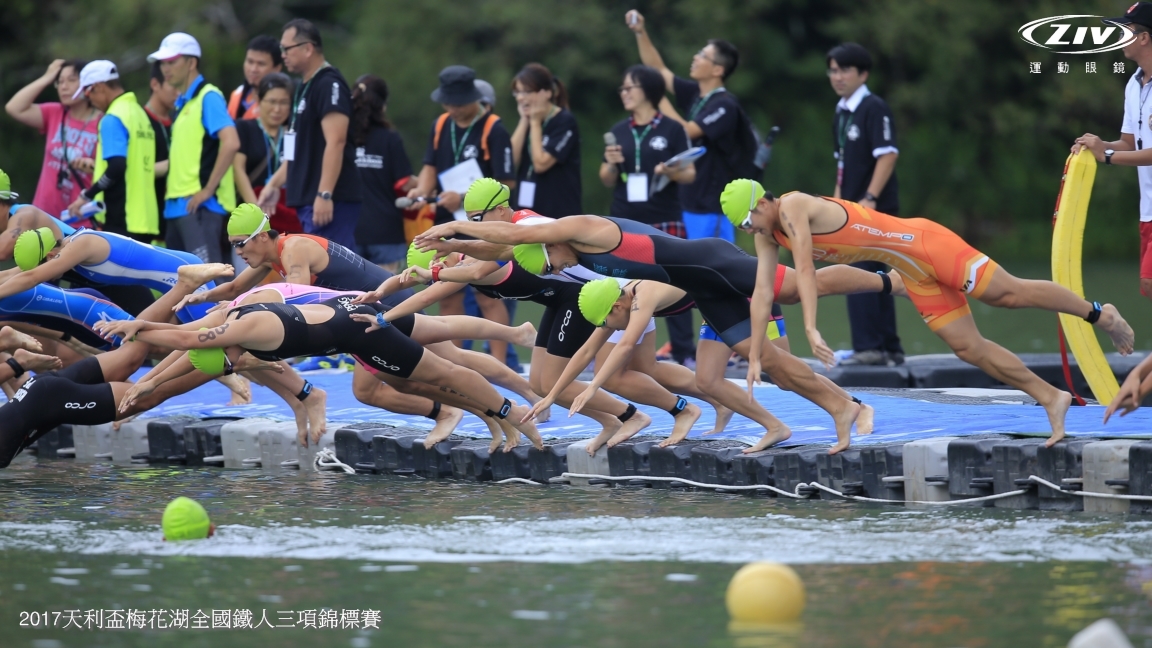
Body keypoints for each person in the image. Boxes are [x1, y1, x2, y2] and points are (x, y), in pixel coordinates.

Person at [412, 205, 869, 454]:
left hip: (713, 265)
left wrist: (450, 226)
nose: (553, 269)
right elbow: (502, 255)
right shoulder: (578, 260)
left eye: (550, 258)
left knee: (801, 291)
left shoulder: (585, 228)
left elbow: (513, 238)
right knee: (767, 367)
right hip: (699, 288)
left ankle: (892, 281)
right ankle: (834, 409)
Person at [720, 179, 1137, 449]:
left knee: (1006, 295)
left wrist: (810, 326)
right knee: (967, 348)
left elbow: (808, 269)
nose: (749, 229)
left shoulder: (793, 206)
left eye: (749, 219)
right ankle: (1051, 396)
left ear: (764, 202)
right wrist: (756, 354)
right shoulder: (768, 234)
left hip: (925, 243)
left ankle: (1099, 314)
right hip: (910, 269)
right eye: (741, 227)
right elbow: (761, 293)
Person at [97, 294, 545, 451]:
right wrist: (146, 354)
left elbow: (187, 341)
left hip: (361, 333)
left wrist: (143, 331)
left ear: (227, 348)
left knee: (442, 369)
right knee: (437, 346)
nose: (238, 364)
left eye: (230, 362)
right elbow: (192, 336)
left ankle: (510, 413)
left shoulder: (247, 328)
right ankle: (500, 403)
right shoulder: (237, 320)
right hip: (350, 309)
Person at [407, 65, 516, 359]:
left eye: (457, 103)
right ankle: (453, 361)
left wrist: (464, 197)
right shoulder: (441, 124)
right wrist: (422, 192)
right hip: (446, 221)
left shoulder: (494, 128)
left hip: (481, 221)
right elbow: (430, 166)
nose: (451, 109)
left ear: (473, 98)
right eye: (447, 103)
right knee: (446, 285)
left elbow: (506, 183)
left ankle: (500, 360)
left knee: (486, 292)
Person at [602, 64, 697, 368]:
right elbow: (606, 178)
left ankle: (684, 351)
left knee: (674, 280)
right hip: (624, 218)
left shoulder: (672, 129)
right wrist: (611, 164)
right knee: (622, 284)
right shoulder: (618, 130)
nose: (624, 93)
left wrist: (671, 171)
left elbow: (690, 172)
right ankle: (622, 349)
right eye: (622, 89)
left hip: (663, 216)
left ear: (648, 90)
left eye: (630, 87)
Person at [626, 9, 744, 243]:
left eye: (703, 55)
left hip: (711, 207)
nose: (695, 57)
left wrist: (656, 96)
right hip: (687, 202)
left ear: (718, 70)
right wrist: (641, 33)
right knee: (688, 273)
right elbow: (658, 71)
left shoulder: (725, 105)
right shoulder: (696, 95)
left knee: (714, 272)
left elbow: (688, 130)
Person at [825, 42, 904, 367]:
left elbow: (887, 154)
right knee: (875, 274)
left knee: (860, 273)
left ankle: (871, 346)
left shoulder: (873, 107)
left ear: (862, 74)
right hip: (851, 210)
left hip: (874, 208)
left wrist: (869, 197)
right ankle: (888, 348)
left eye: (845, 70)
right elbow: (842, 166)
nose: (838, 77)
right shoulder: (842, 113)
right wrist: (835, 208)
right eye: (832, 70)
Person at [1073, 2, 1152, 306]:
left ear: (1144, 37)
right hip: (1147, 209)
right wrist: (1096, 145)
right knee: (1147, 286)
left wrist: (1107, 157)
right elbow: (1129, 143)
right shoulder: (1133, 84)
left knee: (1149, 280)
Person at [257, 19, 360, 249]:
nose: (282, 54)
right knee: (322, 275)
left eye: (287, 48)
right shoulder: (303, 87)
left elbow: (337, 141)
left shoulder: (328, 83)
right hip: (307, 202)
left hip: (329, 200)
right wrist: (274, 184)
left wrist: (325, 194)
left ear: (308, 48)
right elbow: (295, 151)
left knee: (336, 275)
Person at [4, 224, 218, 322]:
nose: (45, 274)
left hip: (184, 272)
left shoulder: (81, 245)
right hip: (173, 282)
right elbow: (18, 273)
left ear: (50, 256)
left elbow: (30, 278)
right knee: (197, 342)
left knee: (221, 340)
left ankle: (244, 397)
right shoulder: (63, 248)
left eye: (40, 266)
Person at [150, 32, 239, 263]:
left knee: (211, 282)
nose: (165, 68)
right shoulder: (183, 104)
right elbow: (182, 159)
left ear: (191, 62)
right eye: (163, 63)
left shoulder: (208, 96)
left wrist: (208, 190)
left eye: (172, 62)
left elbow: (231, 142)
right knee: (182, 282)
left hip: (200, 207)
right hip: (177, 208)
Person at [67, 60, 158, 243]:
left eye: (87, 92)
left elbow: (117, 166)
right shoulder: (139, 113)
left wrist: (87, 195)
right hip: (146, 218)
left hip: (122, 217)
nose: (89, 101)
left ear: (99, 87)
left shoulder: (112, 118)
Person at [4, 59, 101, 224]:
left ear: (88, 83)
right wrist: (47, 77)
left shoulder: (103, 122)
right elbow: (14, 107)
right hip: (44, 215)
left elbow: (114, 169)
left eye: (71, 80)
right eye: (60, 81)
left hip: (80, 217)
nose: (64, 86)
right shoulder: (55, 113)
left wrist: (93, 165)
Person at [350, 74, 412, 272]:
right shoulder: (390, 138)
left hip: (349, 228)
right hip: (386, 231)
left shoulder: (339, 137)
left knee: (350, 298)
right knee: (386, 297)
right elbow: (404, 182)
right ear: (383, 105)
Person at [510, 63, 582, 217]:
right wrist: (524, 120)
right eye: (517, 92)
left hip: (557, 211)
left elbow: (540, 164)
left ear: (547, 93)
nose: (521, 98)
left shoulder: (564, 121)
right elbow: (509, 163)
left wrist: (535, 123)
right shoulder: (528, 120)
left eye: (527, 92)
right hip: (526, 210)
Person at [233, 72, 301, 236]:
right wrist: (256, 211)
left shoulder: (291, 133)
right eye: (272, 101)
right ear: (259, 100)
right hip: (251, 216)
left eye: (284, 102)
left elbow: (290, 165)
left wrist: (274, 186)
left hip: (287, 217)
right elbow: (238, 169)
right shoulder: (244, 128)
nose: (277, 109)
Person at [143, 61, 179, 243]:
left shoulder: (179, 120)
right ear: (155, 84)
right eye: (173, 85)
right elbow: (133, 170)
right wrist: (172, 165)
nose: (178, 92)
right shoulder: (140, 121)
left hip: (174, 218)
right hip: (146, 222)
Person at [227, 35, 284, 121]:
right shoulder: (237, 95)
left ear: (277, 68)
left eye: (261, 64)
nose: (253, 69)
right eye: (250, 62)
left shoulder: (283, 101)